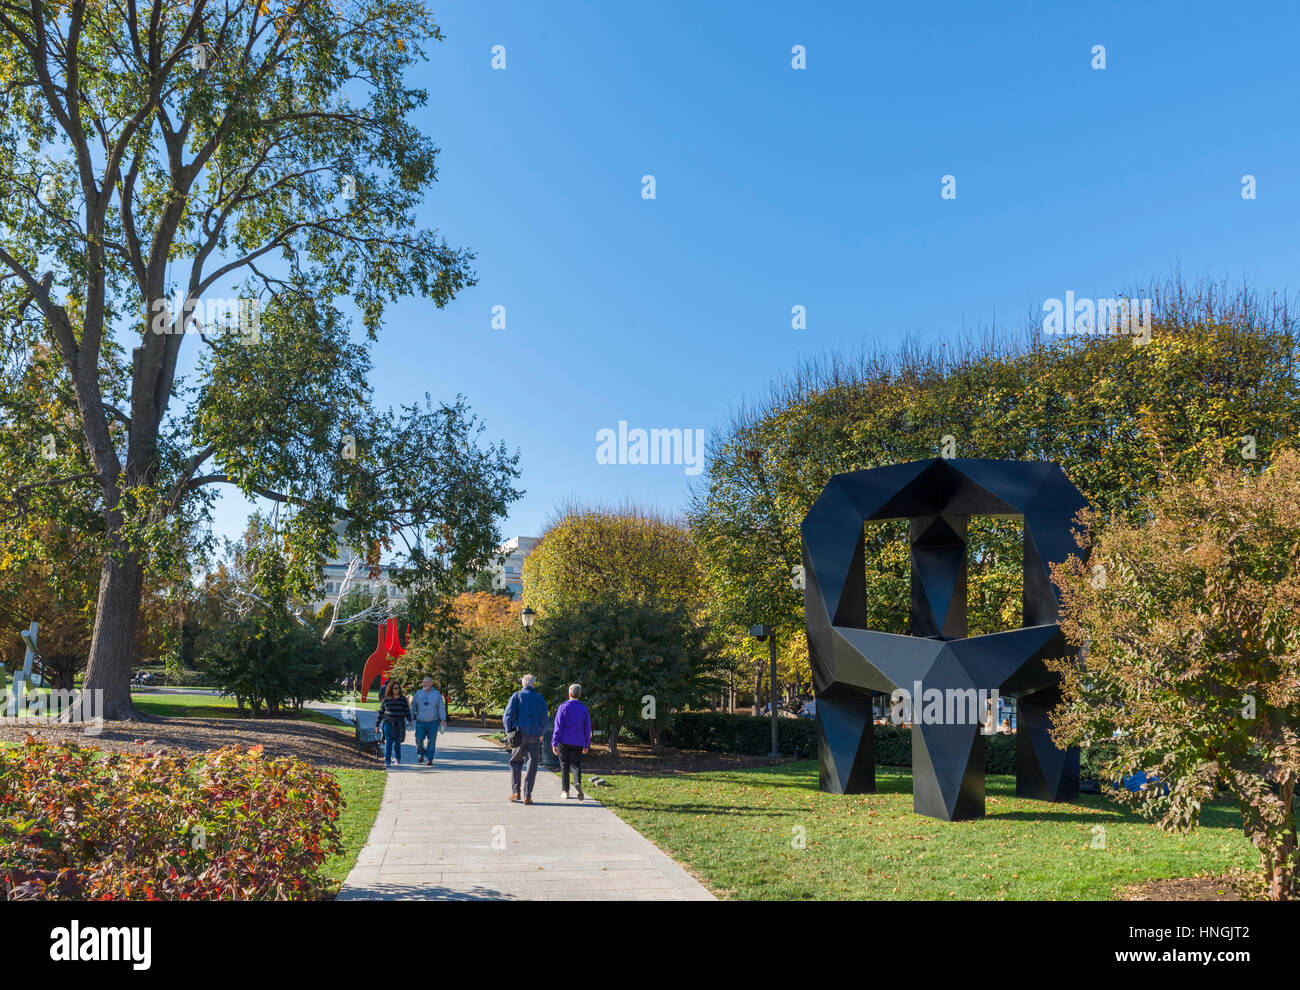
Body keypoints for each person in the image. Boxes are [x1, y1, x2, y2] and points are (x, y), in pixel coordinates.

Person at [503, 674, 549, 804]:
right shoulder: (540, 698)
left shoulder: (516, 696)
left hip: (518, 735)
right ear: (534, 685)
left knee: (515, 762)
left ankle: (515, 791)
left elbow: (507, 716)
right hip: (534, 735)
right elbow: (545, 720)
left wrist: (509, 730)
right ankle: (527, 795)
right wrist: (542, 732)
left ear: (523, 684)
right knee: (532, 765)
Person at [551, 683, 592, 801]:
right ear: (580, 694)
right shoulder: (583, 709)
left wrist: (554, 742)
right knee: (576, 765)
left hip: (564, 741)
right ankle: (577, 782)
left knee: (564, 766)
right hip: (578, 741)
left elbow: (558, 727)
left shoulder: (563, 707)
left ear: (569, 694)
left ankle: (565, 791)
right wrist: (586, 744)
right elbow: (587, 728)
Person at [411, 676, 447, 766]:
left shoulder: (436, 694)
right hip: (420, 721)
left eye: (426, 683)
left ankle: (429, 758)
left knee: (432, 741)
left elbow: (441, 707)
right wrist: (410, 718)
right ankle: (421, 753)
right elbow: (413, 707)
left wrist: (443, 719)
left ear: (431, 684)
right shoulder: (418, 693)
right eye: (423, 682)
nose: (424, 684)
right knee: (418, 740)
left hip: (433, 722)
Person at [377, 680, 412, 768]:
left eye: (398, 688)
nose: (397, 690)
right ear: (391, 689)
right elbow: (381, 713)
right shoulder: (386, 699)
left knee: (397, 742)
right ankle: (387, 760)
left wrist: (409, 720)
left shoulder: (402, 699)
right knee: (388, 741)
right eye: (395, 688)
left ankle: (397, 758)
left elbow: (406, 710)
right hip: (388, 723)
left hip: (399, 723)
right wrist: (377, 724)